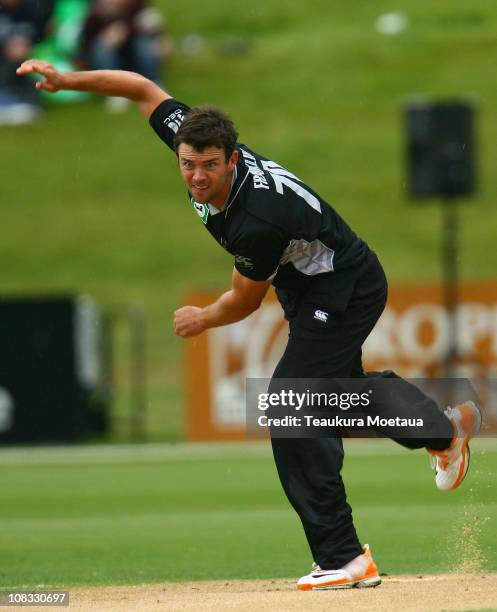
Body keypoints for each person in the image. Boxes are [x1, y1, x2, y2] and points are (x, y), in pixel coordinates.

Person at [16, 59, 482, 590]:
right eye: (188, 163)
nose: (196, 176)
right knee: (332, 399)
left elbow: (242, 303)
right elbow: (141, 87)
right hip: (307, 280)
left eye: (210, 166)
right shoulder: (190, 139)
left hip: (344, 284)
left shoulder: (256, 218)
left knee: (293, 405)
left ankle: (345, 558)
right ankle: (445, 430)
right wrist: (66, 80)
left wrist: (202, 318)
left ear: (232, 160)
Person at [0, 0, 53, 124]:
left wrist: (29, 46)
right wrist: (6, 47)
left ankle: (20, 102)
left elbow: (45, 38)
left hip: (29, 59)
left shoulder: (35, 9)